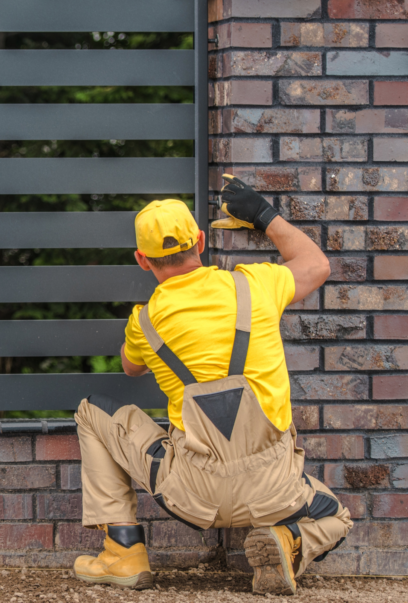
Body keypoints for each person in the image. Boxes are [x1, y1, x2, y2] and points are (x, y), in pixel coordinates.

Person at [71, 175, 353, 595]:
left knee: (91, 411)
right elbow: (316, 265)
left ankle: (123, 551)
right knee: (336, 518)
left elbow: (131, 368)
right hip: (274, 493)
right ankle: (289, 539)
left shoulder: (144, 321)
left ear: (142, 260)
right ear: (200, 242)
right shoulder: (255, 285)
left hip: (191, 494)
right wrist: (262, 215)